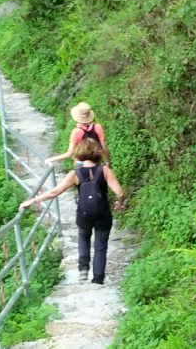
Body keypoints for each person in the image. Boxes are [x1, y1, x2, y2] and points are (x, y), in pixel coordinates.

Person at [20, 138, 124, 284]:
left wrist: (32, 201)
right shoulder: (105, 171)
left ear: (79, 153)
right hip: (103, 213)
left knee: (83, 237)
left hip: (83, 214)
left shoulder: (75, 174)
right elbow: (120, 193)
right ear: (97, 153)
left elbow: (55, 192)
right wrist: (119, 203)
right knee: (101, 246)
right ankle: (98, 280)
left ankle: (83, 269)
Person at [45, 101, 109, 166]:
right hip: (95, 163)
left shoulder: (76, 131)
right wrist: (107, 161)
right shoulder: (98, 127)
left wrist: (51, 159)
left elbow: (69, 154)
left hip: (81, 165)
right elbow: (103, 147)